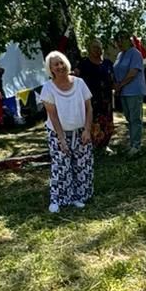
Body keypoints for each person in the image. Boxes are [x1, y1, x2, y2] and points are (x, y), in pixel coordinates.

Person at [39, 51, 93, 214]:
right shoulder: (48, 88)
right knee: (61, 166)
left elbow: (89, 108)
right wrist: (61, 139)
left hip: (80, 131)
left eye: (61, 62)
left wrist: (87, 130)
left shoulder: (80, 83)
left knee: (82, 166)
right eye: (56, 64)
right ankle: (57, 199)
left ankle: (78, 197)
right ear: (51, 69)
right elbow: (53, 116)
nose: (60, 66)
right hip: (58, 132)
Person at [76, 41, 115, 150]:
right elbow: (75, 77)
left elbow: (113, 79)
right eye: (95, 47)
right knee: (92, 121)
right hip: (90, 99)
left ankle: (105, 145)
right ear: (89, 49)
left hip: (106, 99)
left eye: (99, 47)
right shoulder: (84, 63)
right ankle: (91, 145)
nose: (97, 50)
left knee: (107, 122)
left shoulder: (108, 63)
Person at [113, 31, 146, 155]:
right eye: (117, 40)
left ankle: (136, 146)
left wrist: (120, 85)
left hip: (134, 90)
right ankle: (132, 143)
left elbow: (133, 72)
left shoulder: (135, 54)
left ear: (129, 40)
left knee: (135, 119)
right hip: (123, 92)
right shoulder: (120, 55)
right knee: (129, 118)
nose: (120, 43)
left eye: (122, 39)